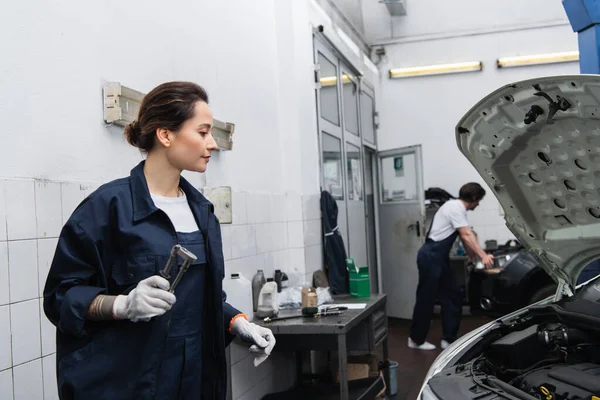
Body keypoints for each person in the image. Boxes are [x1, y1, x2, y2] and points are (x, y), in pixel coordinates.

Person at [43, 81, 275, 399]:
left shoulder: (202, 212)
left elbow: (201, 299)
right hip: (128, 385)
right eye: (203, 132)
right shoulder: (107, 209)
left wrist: (237, 323)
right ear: (165, 135)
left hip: (194, 383)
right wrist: (121, 305)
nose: (213, 144)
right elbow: (60, 297)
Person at [408, 182, 494, 351]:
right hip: (431, 256)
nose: (478, 204)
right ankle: (415, 339)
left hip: (439, 257)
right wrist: (483, 255)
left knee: (454, 294)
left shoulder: (456, 208)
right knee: (427, 298)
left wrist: (471, 255)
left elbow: (464, 237)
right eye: (479, 201)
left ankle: (449, 339)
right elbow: (466, 234)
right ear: (475, 197)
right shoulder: (455, 207)